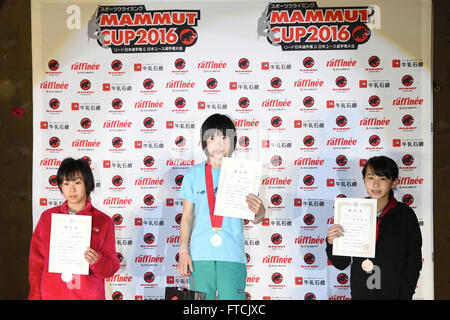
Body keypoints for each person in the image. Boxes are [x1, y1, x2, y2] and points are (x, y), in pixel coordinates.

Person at [177, 113, 266, 300]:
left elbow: (256, 217)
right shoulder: (193, 175)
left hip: (232, 255)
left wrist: (260, 212)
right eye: (212, 138)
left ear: (233, 142)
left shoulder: (243, 174)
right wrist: (183, 250)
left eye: (224, 138)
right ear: (204, 142)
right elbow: (186, 217)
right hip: (200, 257)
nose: (218, 144)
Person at [326, 156, 422, 299]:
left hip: (394, 294)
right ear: (364, 180)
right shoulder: (351, 211)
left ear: (394, 182)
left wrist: (405, 294)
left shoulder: (405, 215)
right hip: (361, 293)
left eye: (382, 179)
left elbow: (414, 262)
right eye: (371, 178)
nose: (375, 185)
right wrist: (332, 242)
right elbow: (342, 263)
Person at [28, 157, 120, 300]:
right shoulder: (47, 218)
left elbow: (112, 266)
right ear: (60, 186)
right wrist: (35, 295)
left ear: (87, 184)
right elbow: (36, 263)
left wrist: (98, 261)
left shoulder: (104, 222)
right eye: (66, 183)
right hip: (52, 295)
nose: (72, 189)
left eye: (77, 182)